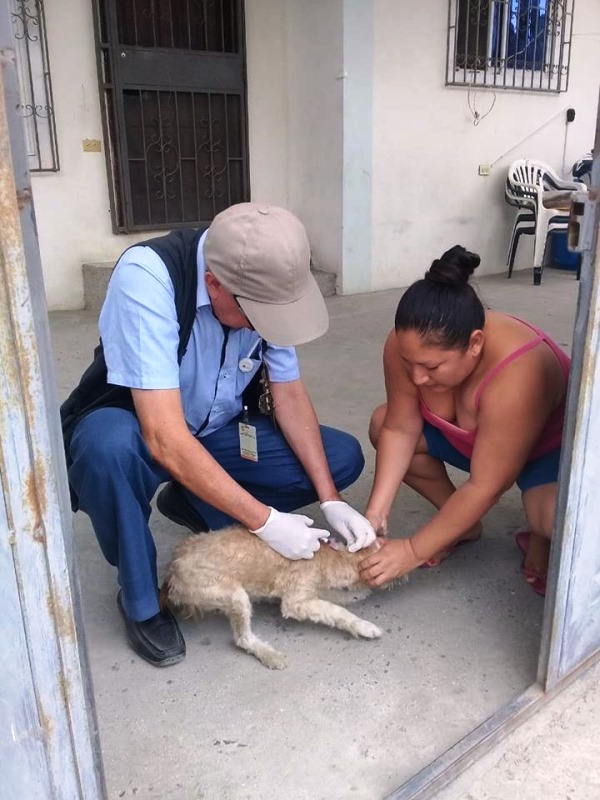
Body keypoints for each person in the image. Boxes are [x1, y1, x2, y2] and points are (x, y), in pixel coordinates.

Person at [61, 202, 375, 667]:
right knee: (106, 452)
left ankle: (191, 499)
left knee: (341, 457)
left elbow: (288, 396)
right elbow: (164, 435)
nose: (264, 328)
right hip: (142, 430)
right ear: (214, 284)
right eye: (255, 317)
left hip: (218, 428)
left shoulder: (266, 284)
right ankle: (142, 599)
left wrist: (330, 498)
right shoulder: (148, 278)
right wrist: (265, 521)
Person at [359, 245, 570, 596]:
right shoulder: (407, 345)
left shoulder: (520, 370)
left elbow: (486, 484)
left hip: (545, 453)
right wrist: (375, 514)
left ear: (474, 344)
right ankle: (462, 525)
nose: (417, 378)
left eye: (431, 368)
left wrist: (412, 550)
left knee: (552, 520)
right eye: (410, 363)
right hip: (475, 443)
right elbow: (400, 427)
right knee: (382, 424)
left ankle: (536, 535)